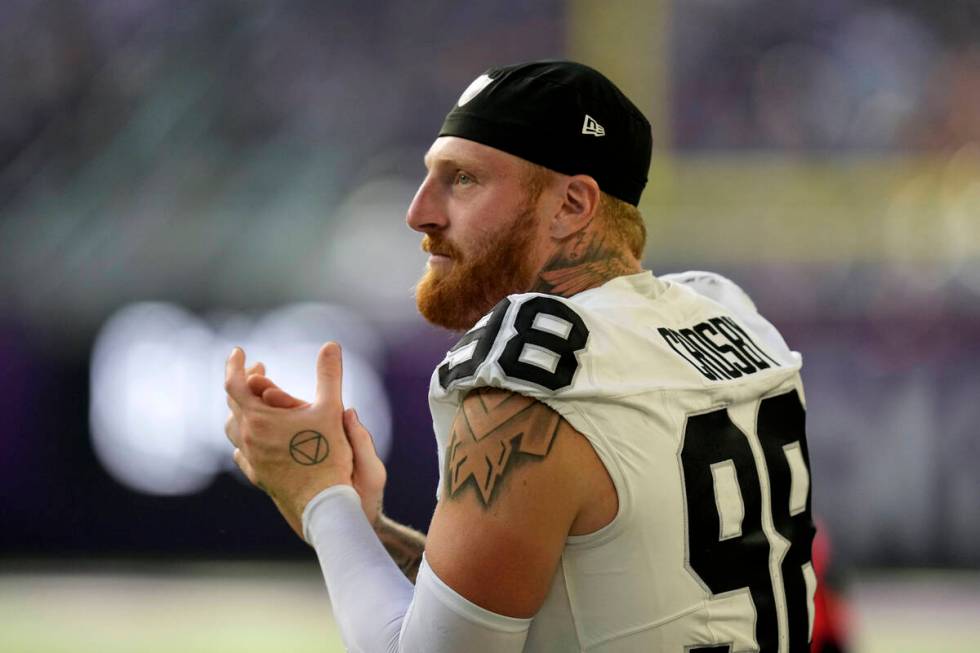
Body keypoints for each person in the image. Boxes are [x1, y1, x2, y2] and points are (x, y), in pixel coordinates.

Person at [224, 61, 817, 652]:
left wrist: (318, 497)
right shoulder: (729, 317)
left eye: (463, 180)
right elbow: (563, 590)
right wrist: (364, 523)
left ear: (571, 205)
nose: (419, 212)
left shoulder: (536, 366)